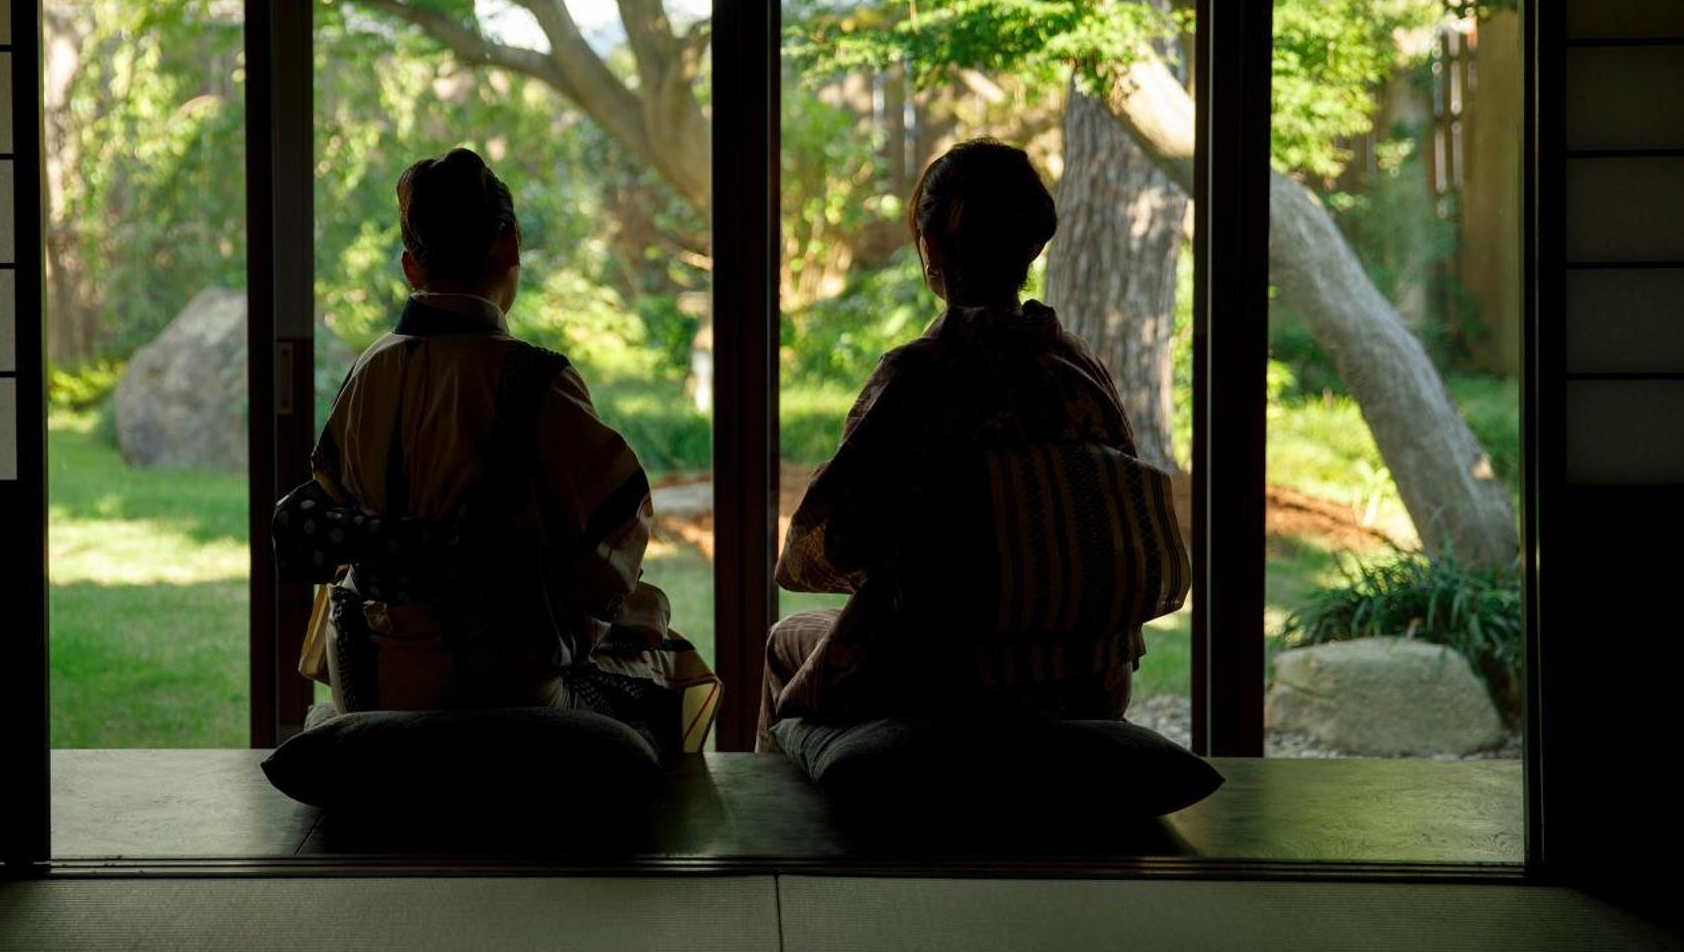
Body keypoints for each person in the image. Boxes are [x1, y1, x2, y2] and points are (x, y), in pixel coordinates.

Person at [759, 138, 1189, 748]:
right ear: (1032, 245)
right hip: (1090, 678)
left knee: (785, 642)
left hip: (951, 679)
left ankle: (786, 835)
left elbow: (830, 542)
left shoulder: (922, 376)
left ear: (931, 247)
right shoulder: (1076, 364)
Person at [313, 147, 720, 757]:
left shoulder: (365, 373)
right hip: (497, 683)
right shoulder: (534, 381)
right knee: (675, 657)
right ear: (510, 246)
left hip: (370, 676)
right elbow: (618, 534)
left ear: (410, 269)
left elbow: (332, 512)